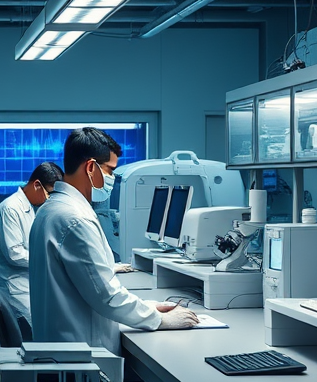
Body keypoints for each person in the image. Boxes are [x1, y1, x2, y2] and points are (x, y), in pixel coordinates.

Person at [30, 127, 198, 355]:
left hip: (61, 344)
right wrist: (159, 319)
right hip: (82, 356)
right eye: (110, 171)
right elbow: (106, 297)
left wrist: (147, 307)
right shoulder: (74, 218)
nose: (111, 179)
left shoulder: (50, 209)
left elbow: (93, 286)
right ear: (90, 167)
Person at [0, 162, 63, 328]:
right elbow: (15, 254)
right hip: (14, 288)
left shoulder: (30, 208)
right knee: (49, 327)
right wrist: (50, 258)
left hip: (26, 282)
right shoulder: (10, 209)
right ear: (36, 185)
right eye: (49, 194)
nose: (49, 200)